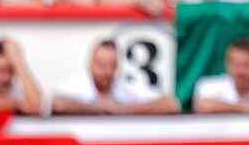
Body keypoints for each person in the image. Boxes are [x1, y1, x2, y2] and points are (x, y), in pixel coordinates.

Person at [50, 38, 180, 114]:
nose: (106, 71)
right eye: (101, 65)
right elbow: (57, 104)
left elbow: (171, 104)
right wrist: (99, 108)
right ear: (90, 64)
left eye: (112, 65)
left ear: (118, 66)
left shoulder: (126, 85)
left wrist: (124, 109)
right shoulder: (77, 84)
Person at [192, 38, 249, 112]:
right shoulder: (209, 85)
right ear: (227, 65)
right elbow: (202, 106)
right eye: (235, 65)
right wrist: (247, 108)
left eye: (246, 65)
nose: (240, 71)